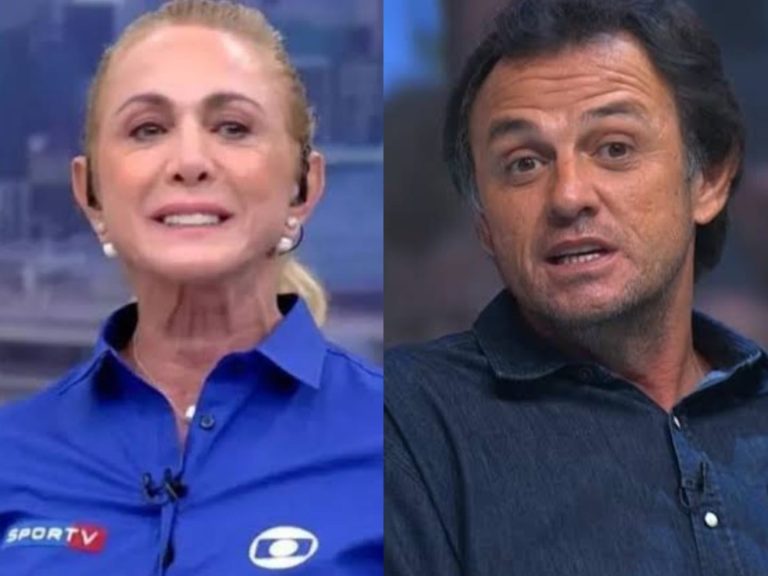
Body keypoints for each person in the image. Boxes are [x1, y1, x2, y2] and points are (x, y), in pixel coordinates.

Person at [385, 0, 768, 574]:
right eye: (523, 163)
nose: (568, 196)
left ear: (709, 180)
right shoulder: (405, 422)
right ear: (483, 221)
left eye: (614, 148)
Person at [0, 1, 382, 574]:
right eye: (147, 129)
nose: (189, 161)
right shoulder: (12, 454)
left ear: (304, 187)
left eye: (233, 127)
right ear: (90, 194)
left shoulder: (398, 440)